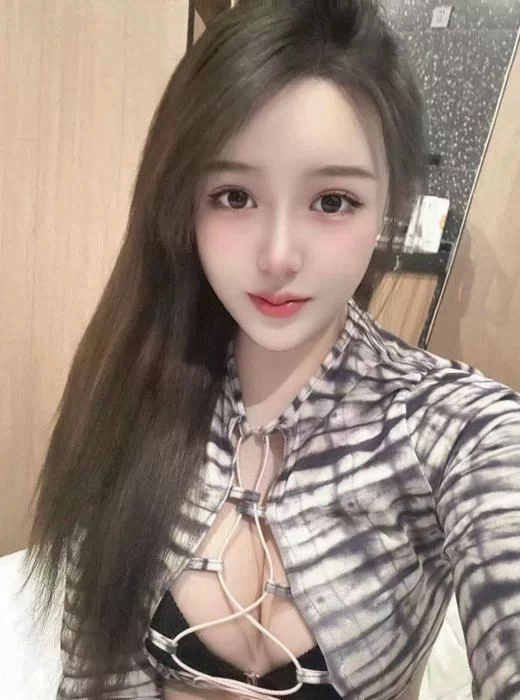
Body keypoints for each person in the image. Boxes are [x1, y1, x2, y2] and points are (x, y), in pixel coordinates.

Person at [26, 1, 520, 699]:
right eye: (234, 195)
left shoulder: (461, 432)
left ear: (389, 205)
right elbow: (92, 675)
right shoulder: (131, 390)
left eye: (332, 201)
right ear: (181, 202)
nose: (279, 255)